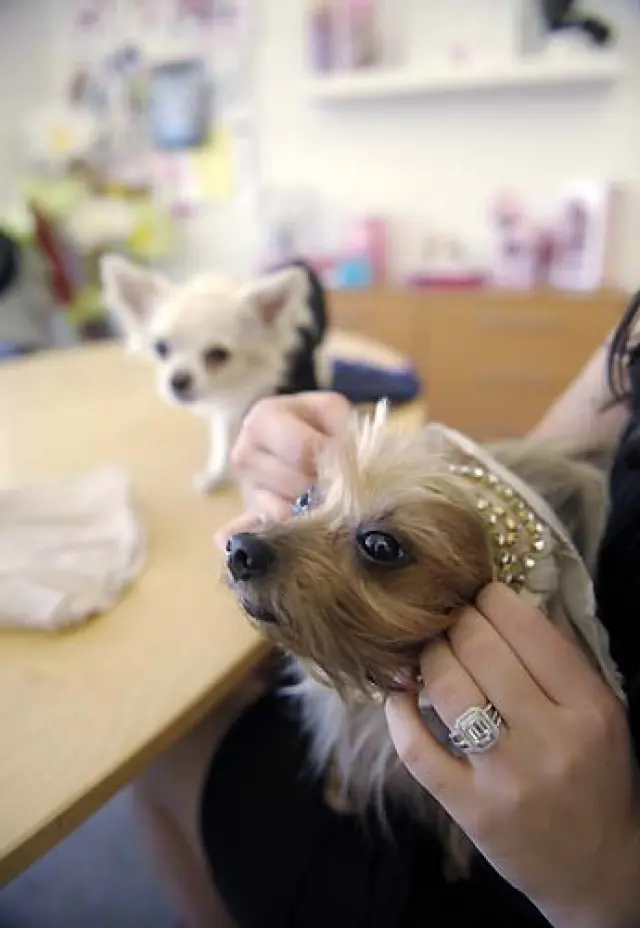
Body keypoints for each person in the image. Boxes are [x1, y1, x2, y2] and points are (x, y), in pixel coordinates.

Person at [134, 302, 640, 928]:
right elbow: (538, 466)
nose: (254, 541)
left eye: (379, 547)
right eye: (310, 500)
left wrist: (607, 883)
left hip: (565, 882)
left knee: (167, 746)